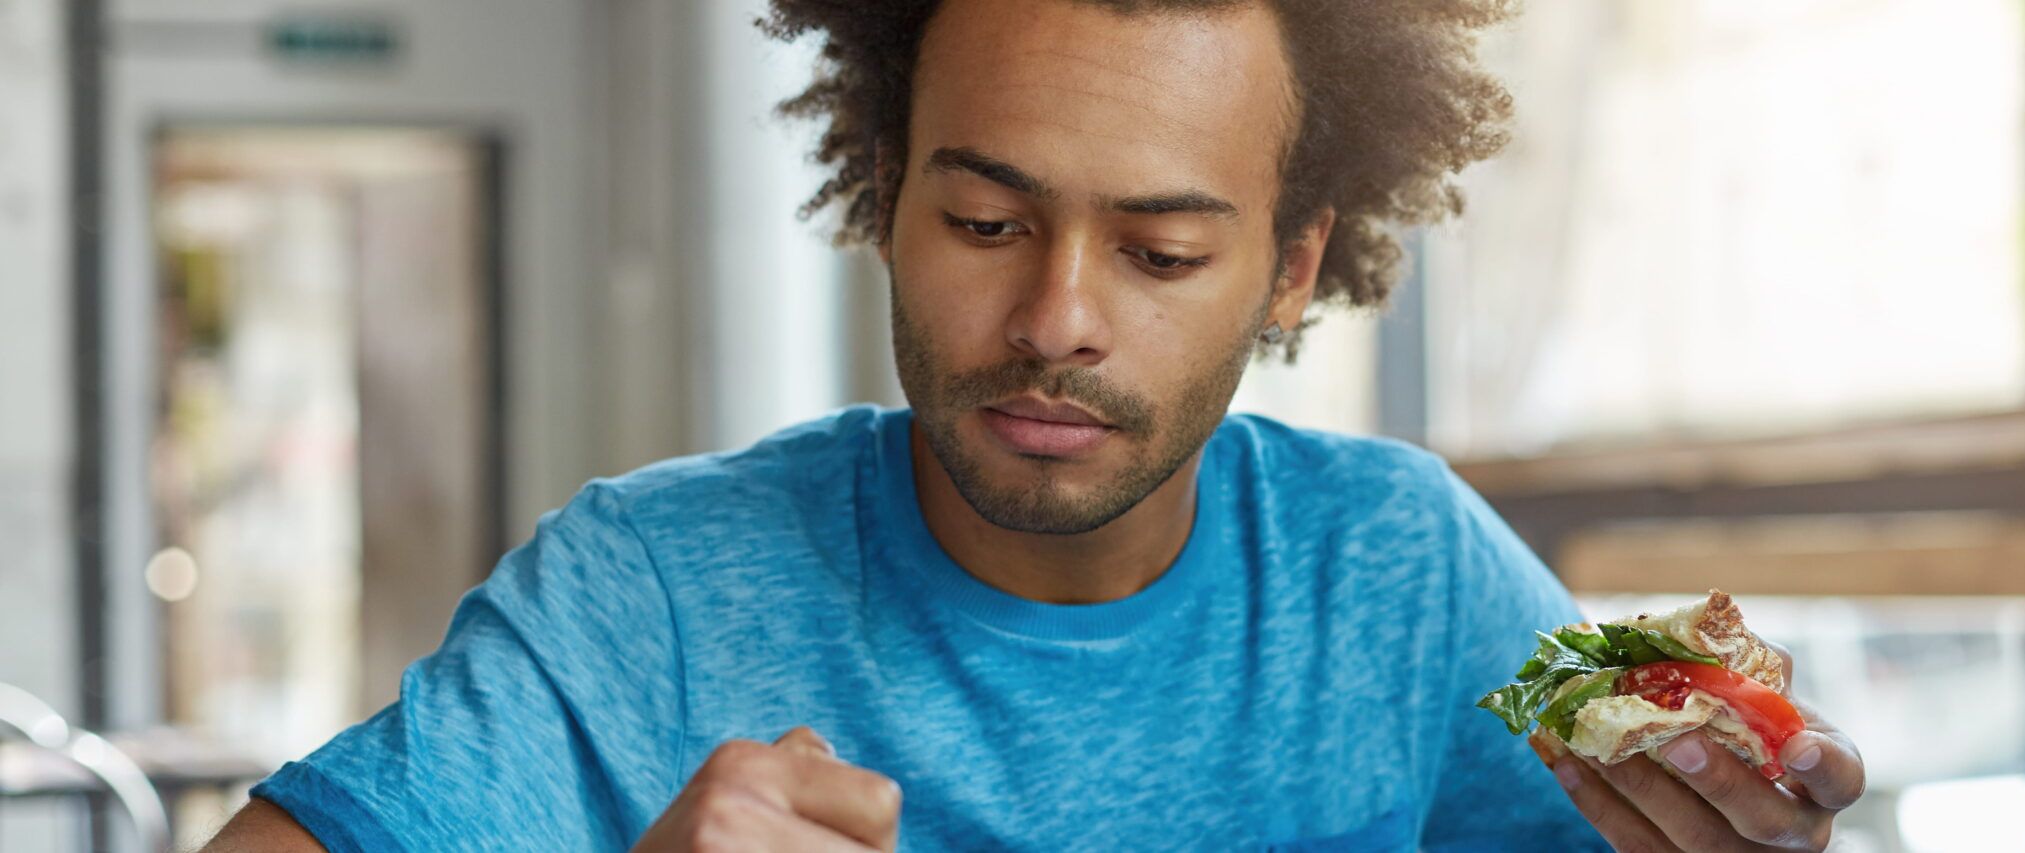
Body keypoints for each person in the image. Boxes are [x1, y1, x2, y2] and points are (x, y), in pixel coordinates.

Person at [203, 0, 1866, 849]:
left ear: (1290, 269)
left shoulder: (1403, 573)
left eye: (1161, 251)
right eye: (988, 225)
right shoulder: (646, 588)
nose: (1058, 315)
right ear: (885, 196)